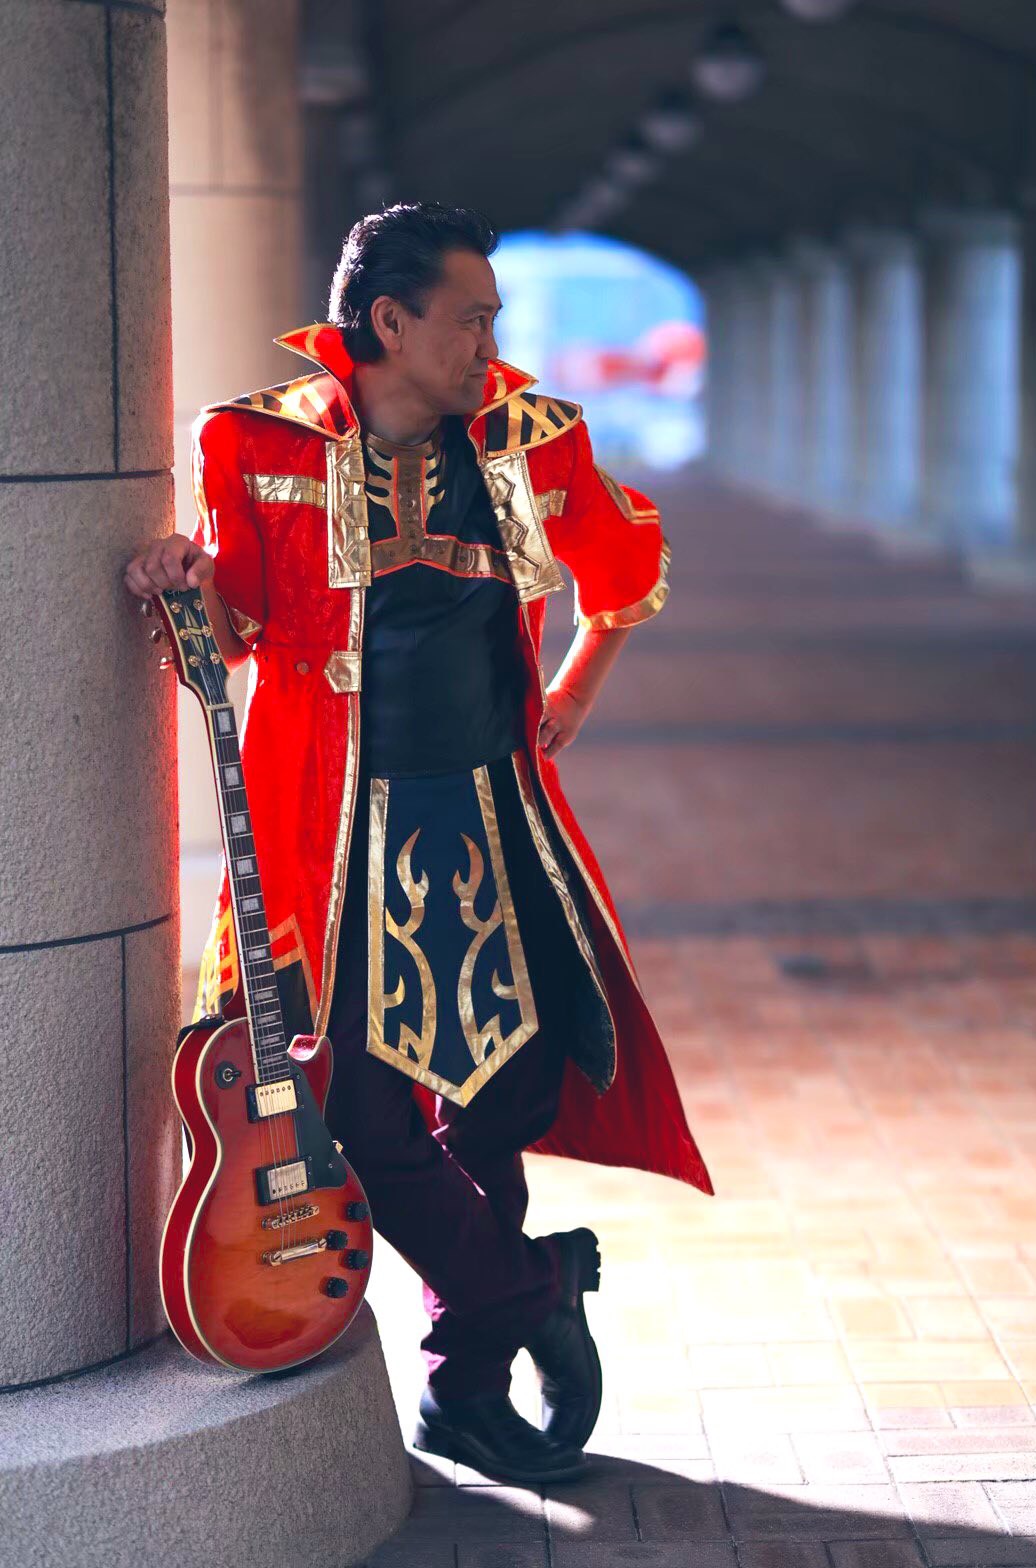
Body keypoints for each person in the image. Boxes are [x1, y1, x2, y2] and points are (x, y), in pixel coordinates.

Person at [124, 201, 713, 1486]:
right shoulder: (256, 441)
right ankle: (528, 1286)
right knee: (352, 1108)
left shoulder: (530, 438)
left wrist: (575, 689)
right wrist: (183, 580)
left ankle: (466, 1388)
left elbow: (626, 570)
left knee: (499, 1099)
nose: (490, 342)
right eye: (471, 319)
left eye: (493, 318)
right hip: (327, 839)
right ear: (389, 322)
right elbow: (230, 634)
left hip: (496, 827)